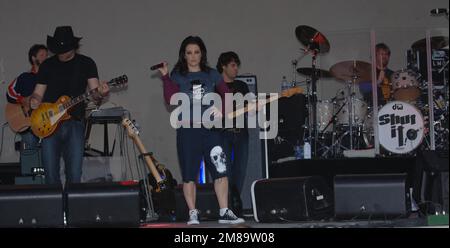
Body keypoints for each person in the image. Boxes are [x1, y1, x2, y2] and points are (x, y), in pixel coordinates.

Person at [157, 36, 244, 225]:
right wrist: (165, 76)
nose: (193, 56)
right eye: (189, 53)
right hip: (188, 130)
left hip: (211, 130)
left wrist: (221, 108)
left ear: (202, 53)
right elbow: (171, 99)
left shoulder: (212, 74)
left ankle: (225, 211)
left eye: (196, 52)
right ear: (184, 55)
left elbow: (227, 95)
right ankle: (193, 212)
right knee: (189, 174)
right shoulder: (178, 75)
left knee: (221, 170)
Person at [29, 26, 109, 184]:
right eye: (58, 50)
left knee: (74, 174)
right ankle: (55, 208)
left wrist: (101, 93)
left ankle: (73, 207)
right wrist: (35, 100)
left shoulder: (86, 63)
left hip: (74, 122)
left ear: (74, 47)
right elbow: (38, 92)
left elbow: (95, 96)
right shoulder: (47, 65)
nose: (62, 53)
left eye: (65, 49)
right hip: (49, 124)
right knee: (50, 174)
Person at [216, 51, 249, 212]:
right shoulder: (215, 87)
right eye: (233, 65)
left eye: (237, 65)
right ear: (223, 66)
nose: (236, 69)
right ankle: (229, 204)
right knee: (225, 170)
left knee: (240, 169)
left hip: (241, 132)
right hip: (223, 133)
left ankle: (235, 199)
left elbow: (250, 108)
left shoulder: (242, 86)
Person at [6, 44, 48, 150]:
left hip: (47, 124)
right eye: (42, 55)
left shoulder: (52, 77)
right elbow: (10, 93)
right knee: (30, 153)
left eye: (46, 55)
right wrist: (22, 100)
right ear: (34, 58)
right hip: (28, 126)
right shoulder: (24, 77)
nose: (46, 57)